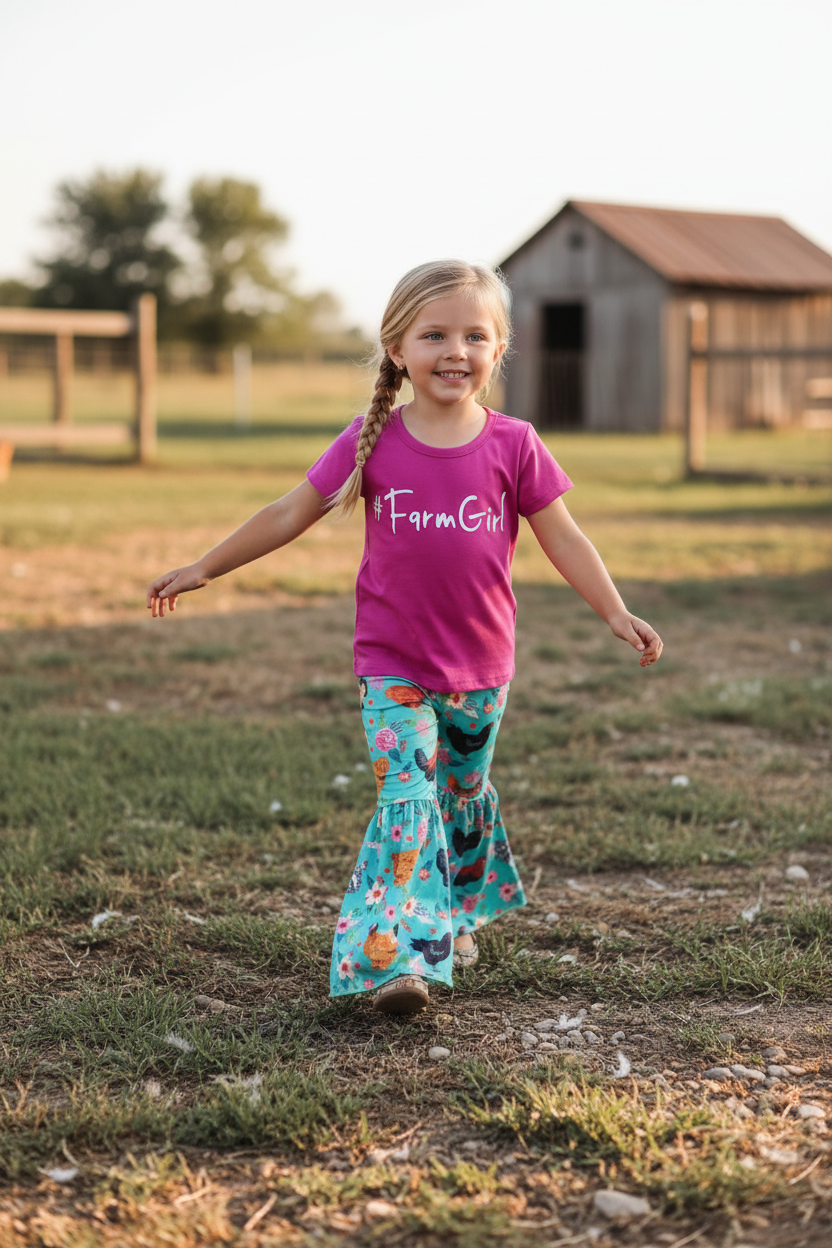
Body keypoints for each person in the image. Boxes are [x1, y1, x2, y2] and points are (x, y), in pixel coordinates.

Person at [147, 259, 662, 1016]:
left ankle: (454, 912)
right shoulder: (372, 439)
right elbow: (292, 510)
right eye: (435, 334)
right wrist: (205, 566)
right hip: (391, 666)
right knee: (408, 799)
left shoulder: (516, 444)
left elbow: (567, 538)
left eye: (474, 336)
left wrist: (615, 610)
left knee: (461, 792)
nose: (456, 350)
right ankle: (396, 959)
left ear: (499, 349)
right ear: (398, 350)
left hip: (482, 667)